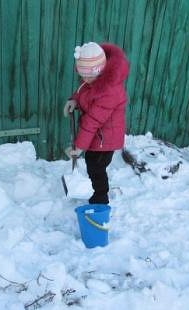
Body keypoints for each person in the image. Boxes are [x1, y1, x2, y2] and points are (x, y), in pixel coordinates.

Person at [63, 42, 129, 204]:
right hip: (97, 137)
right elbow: (84, 92)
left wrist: (79, 147)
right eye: (82, 75)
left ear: (99, 71)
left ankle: (100, 199)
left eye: (87, 76)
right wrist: (74, 100)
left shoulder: (109, 91)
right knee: (93, 164)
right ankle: (97, 191)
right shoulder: (93, 80)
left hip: (106, 139)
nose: (84, 79)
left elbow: (92, 120)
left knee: (96, 169)